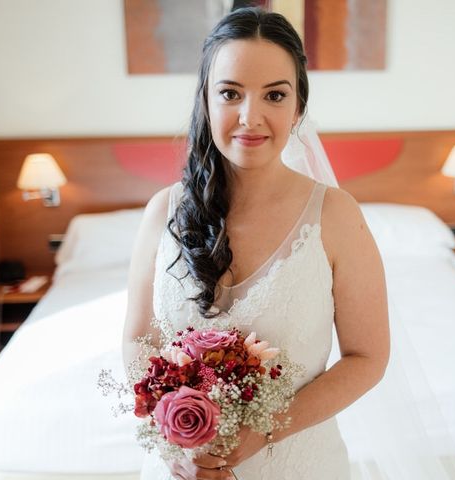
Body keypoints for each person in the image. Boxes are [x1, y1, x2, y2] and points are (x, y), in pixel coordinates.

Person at [122, 7, 391, 479]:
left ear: (298, 107)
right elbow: (139, 339)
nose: (251, 117)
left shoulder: (337, 215)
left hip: (297, 463)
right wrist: (176, 437)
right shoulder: (161, 213)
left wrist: (263, 430)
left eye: (274, 95)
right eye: (230, 93)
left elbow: (367, 359)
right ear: (206, 101)